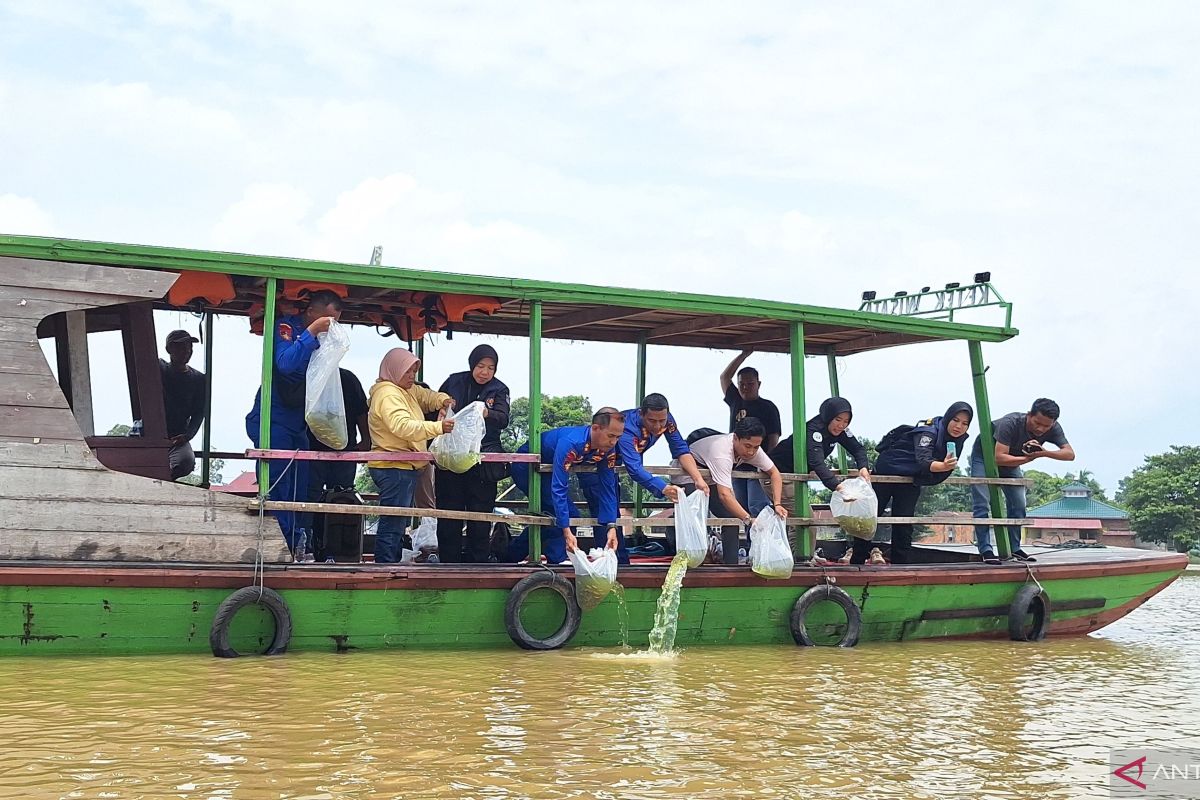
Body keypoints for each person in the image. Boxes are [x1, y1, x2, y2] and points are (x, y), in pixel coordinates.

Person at [245, 289, 342, 559]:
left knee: (300, 490)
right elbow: (285, 364)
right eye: (328, 321)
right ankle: (276, 551)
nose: (330, 328)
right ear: (312, 312)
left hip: (300, 424)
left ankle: (296, 545)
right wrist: (311, 332)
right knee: (278, 489)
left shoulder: (324, 341)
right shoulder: (287, 327)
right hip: (274, 420)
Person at [584, 393, 710, 564]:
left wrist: (698, 479)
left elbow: (680, 448)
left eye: (662, 421)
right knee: (605, 513)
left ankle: (618, 562)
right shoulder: (627, 429)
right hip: (595, 466)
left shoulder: (666, 420)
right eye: (652, 421)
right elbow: (634, 468)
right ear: (641, 414)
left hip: (612, 467)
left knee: (613, 512)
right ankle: (609, 563)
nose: (658, 426)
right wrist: (663, 488)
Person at [367, 348, 455, 564]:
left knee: (398, 520)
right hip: (393, 466)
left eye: (414, 372)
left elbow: (427, 397)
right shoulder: (388, 394)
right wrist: (438, 427)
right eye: (408, 372)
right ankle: (385, 566)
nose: (411, 377)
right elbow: (402, 426)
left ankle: (390, 562)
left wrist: (444, 401)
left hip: (404, 465)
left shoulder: (405, 390)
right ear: (395, 370)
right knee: (393, 521)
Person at [507, 409, 626, 564]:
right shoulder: (571, 443)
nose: (613, 442)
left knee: (551, 516)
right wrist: (567, 532)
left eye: (618, 437)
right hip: (527, 468)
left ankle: (508, 554)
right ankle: (558, 559)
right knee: (568, 514)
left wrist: (611, 526)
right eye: (610, 436)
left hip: (548, 471)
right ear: (595, 428)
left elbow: (608, 488)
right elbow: (559, 488)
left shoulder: (608, 449)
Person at [971, 398, 1074, 564]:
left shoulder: (1053, 428)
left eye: (1046, 426)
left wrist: (1043, 452)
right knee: (982, 501)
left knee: (1018, 503)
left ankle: (1015, 548)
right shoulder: (1010, 423)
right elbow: (998, 458)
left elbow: (1070, 454)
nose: (1040, 429)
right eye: (1037, 423)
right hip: (984, 455)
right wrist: (1028, 459)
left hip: (1015, 459)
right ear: (1029, 415)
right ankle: (986, 549)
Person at [434, 344, 511, 563]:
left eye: (490, 368)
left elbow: (503, 419)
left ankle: (479, 563)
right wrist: (442, 407)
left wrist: (486, 412)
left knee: (480, 514)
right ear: (472, 364)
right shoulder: (454, 381)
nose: (485, 372)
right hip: (452, 457)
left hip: (482, 461)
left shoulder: (499, 390)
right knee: (449, 513)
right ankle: (449, 562)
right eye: (480, 366)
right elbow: (436, 406)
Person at [873, 402, 973, 565]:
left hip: (910, 479)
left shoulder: (958, 440)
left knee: (904, 522)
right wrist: (943, 466)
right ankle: (857, 560)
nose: (958, 426)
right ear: (948, 418)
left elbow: (942, 469)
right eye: (955, 420)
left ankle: (901, 566)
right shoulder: (928, 431)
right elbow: (923, 460)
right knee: (870, 517)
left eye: (965, 424)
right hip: (886, 472)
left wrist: (943, 467)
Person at [672, 418, 787, 545]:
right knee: (693, 514)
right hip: (688, 472)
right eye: (747, 446)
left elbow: (774, 473)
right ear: (735, 438)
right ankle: (689, 554)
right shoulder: (722, 453)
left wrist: (777, 504)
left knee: (731, 517)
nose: (751, 452)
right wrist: (749, 520)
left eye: (756, 447)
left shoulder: (754, 451)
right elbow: (724, 495)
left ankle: (731, 562)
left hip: (712, 476)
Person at [302, 367, 371, 559]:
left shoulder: (346, 378)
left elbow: (361, 412)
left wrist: (366, 439)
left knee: (341, 499)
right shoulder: (313, 376)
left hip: (342, 452)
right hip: (314, 452)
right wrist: (365, 439)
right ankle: (307, 546)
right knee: (312, 499)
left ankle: (336, 548)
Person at [800, 397, 872, 562]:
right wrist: (838, 487)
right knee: (802, 520)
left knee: (805, 521)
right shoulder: (814, 430)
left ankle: (806, 557)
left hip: (800, 479)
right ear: (827, 417)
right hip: (783, 475)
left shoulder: (841, 430)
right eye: (838, 420)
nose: (841, 425)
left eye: (846, 421)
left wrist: (863, 467)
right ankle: (800, 561)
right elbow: (816, 462)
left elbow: (858, 449)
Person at [720, 351, 781, 517]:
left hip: (757, 465)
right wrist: (743, 355)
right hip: (737, 463)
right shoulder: (735, 399)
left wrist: (766, 464)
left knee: (758, 506)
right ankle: (749, 542)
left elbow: (773, 440)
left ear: (758, 384)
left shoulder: (768, 408)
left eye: (750, 384)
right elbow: (725, 377)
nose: (745, 387)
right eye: (742, 384)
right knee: (741, 508)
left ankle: (763, 542)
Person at [159, 329, 206, 481]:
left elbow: (199, 412)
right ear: (169, 349)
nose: (186, 351)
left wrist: (187, 436)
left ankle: (167, 481)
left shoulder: (198, 379)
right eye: (180, 347)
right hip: (151, 432)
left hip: (177, 436)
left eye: (189, 347)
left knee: (186, 461)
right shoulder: (159, 370)